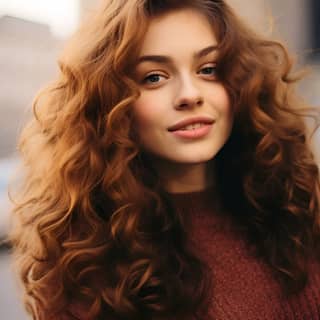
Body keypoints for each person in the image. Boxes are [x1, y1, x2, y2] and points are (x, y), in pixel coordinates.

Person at [9, 0, 320, 319]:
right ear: (109, 103)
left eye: (208, 70)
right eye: (154, 77)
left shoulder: (295, 204)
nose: (190, 94)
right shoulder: (89, 264)